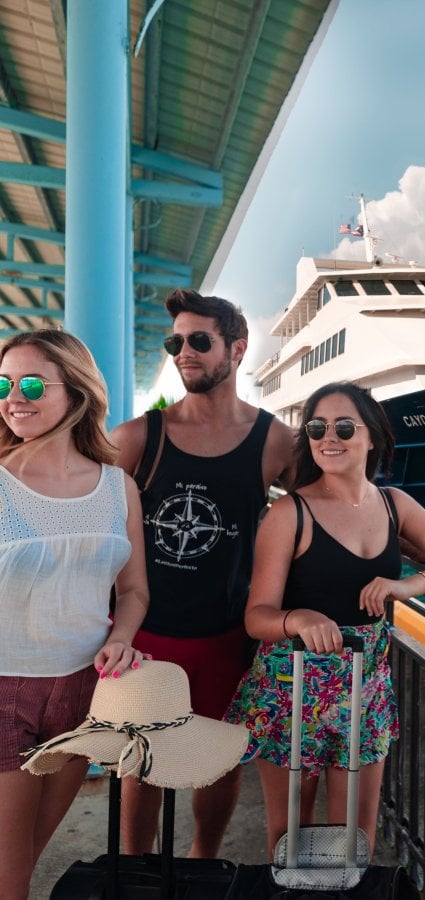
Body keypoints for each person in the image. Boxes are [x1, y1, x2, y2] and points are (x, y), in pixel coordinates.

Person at [226, 381, 425, 858]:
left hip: (365, 690)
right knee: (290, 844)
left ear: (371, 437)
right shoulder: (289, 513)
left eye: (344, 426)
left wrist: (407, 586)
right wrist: (298, 617)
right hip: (291, 689)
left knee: (353, 842)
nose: (329, 437)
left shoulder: (393, 504)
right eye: (317, 427)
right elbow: (257, 617)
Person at [110, 289, 295, 859]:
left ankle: (202, 862)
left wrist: (396, 537)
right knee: (139, 765)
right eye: (175, 342)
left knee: (218, 762)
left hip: (227, 633)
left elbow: (323, 509)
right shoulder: (139, 437)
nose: (182, 353)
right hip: (147, 632)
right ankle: (137, 872)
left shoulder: (276, 442)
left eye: (198, 341)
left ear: (237, 350)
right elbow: (86, 515)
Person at [0, 329, 149, 900]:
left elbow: (133, 590)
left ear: (77, 392)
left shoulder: (119, 488)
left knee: (27, 860)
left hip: (84, 695)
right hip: (6, 690)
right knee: (9, 880)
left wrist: (125, 639)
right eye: (6, 383)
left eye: (33, 382)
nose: (16, 395)